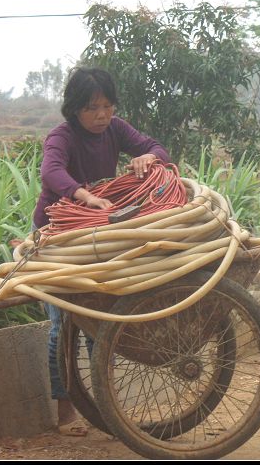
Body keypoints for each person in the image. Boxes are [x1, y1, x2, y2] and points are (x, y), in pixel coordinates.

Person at [33, 66, 171, 436]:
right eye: (92, 108)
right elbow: (51, 172)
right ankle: (65, 413)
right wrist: (86, 196)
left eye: (108, 106)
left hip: (95, 236)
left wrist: (150, 158)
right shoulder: (61, 136)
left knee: (100, 320)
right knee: (62, 326)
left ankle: (106, 410)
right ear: (74, 108)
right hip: (57, 238)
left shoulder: (115, 129)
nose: (102, 115)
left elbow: (155, 146)